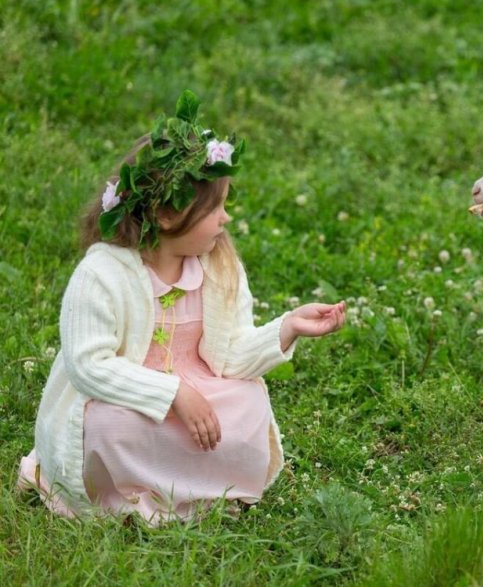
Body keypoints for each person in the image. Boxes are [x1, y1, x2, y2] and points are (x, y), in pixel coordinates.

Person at [17, 90, 346, 523]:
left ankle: (198, 492)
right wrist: (173, 393)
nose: (226, 218)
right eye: (215, 208)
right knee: (111, 427)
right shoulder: (103, 273)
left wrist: (286, 328)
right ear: (168, 215)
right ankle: (127, 499)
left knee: (249, 403)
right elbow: (88, 366)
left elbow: (231, 354)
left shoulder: (220, 266)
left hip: (198, 391)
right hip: (126, 398)